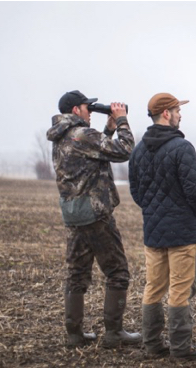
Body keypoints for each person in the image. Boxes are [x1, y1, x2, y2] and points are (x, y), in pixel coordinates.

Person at [47, 90, 142, 348]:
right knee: (118, 271)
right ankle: (114, 333)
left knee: (77, 273)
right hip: (95, 214)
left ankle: (74, 334)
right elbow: (124, 151)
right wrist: (121, 120)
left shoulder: (62, 137)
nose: (90, 111)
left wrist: (107, 130)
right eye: (87, 107)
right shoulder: (82, 134)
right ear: (76, 110)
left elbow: (95, 155)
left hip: (73, 215)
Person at [128, 92, 196, 360]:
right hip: (183, 232)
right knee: (180, 290)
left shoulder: (139, 149)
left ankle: (152, 346)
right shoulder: (182, 148)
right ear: (166, 113)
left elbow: (136, 191)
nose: (180, 114)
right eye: (177, 110)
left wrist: (154, 212)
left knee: (153, 287)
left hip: (153, 231)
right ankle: (180, 349)